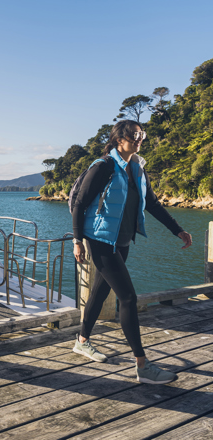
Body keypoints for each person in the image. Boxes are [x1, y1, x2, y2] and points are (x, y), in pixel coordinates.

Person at [72, 120, 192, 385]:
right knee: (128, 297)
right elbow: (79, 203)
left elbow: (152, 203)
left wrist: (177, 229)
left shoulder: (137, 167)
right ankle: (142, 366)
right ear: (119, 139)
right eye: (134, 135)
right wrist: (77, 240)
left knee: (101, 290)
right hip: (100, 240)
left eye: (142, 134)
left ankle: (81, 341)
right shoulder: (103, 166)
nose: (139, 138)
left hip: (123, 240)